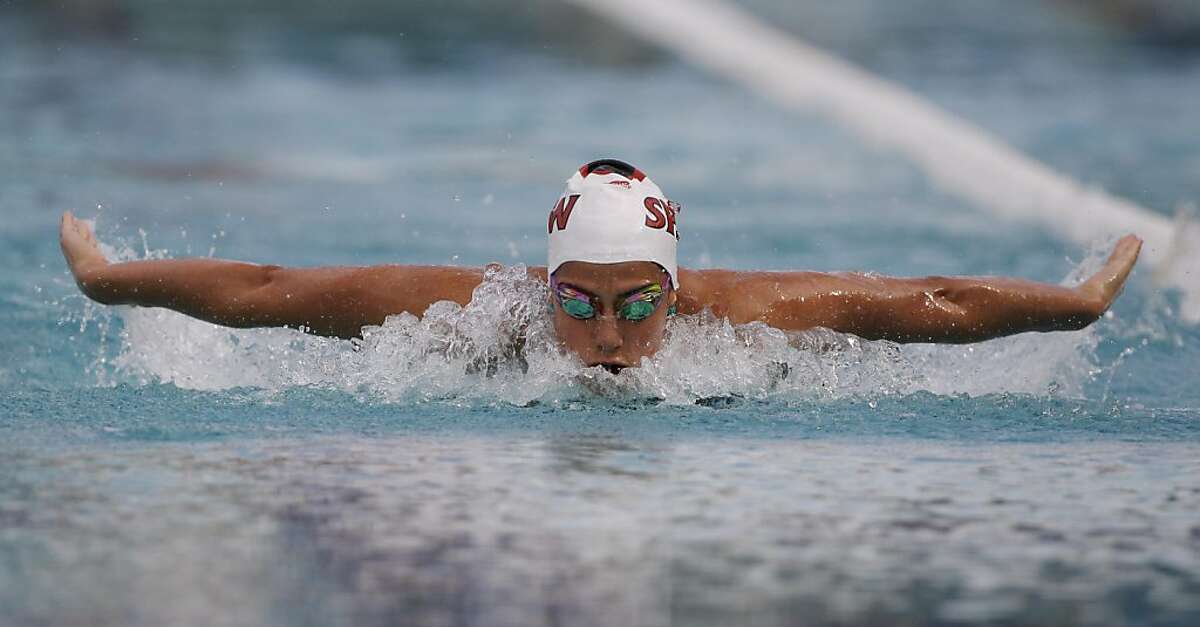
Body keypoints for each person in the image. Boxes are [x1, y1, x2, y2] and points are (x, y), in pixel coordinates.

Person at [59, 159, 1142, 374]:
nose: (610, 337)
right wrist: (109, 280)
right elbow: (266, 292)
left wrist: (1078, 305)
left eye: (637, 304)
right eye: (578, 300)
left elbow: (930, 303)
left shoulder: (744, 320)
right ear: (543, 284)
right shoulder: (474, 315)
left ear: (677, 286)